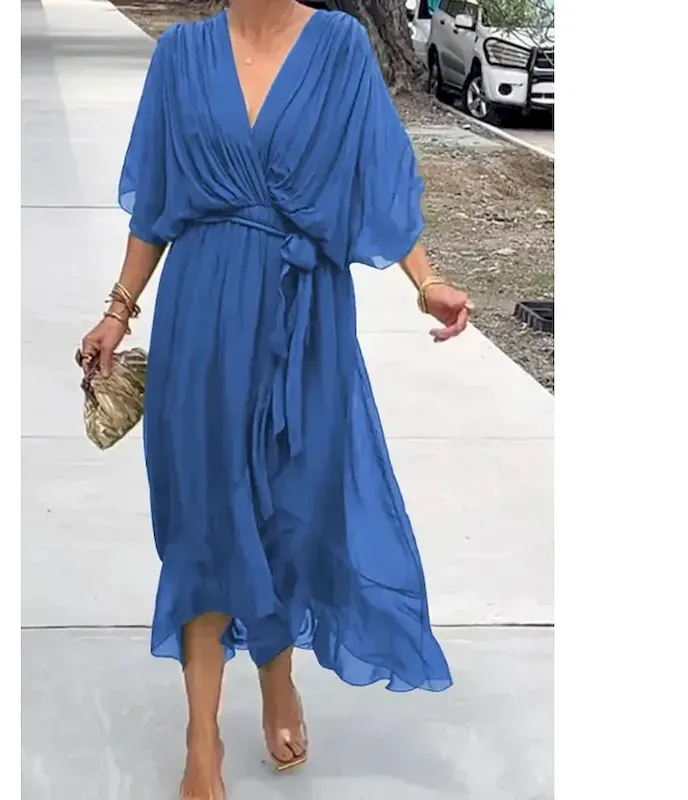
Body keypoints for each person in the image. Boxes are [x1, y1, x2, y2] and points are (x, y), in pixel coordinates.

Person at [79, 1, 470, 797]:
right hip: (201, 314)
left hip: (305, 321)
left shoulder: (340, 47)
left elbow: (376, 173)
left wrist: (426, 282)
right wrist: (118, 310)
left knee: (291, 512)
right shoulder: (181, 56)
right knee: (203, 518)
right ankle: (201, 735)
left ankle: (276, 672)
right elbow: (156, 203)